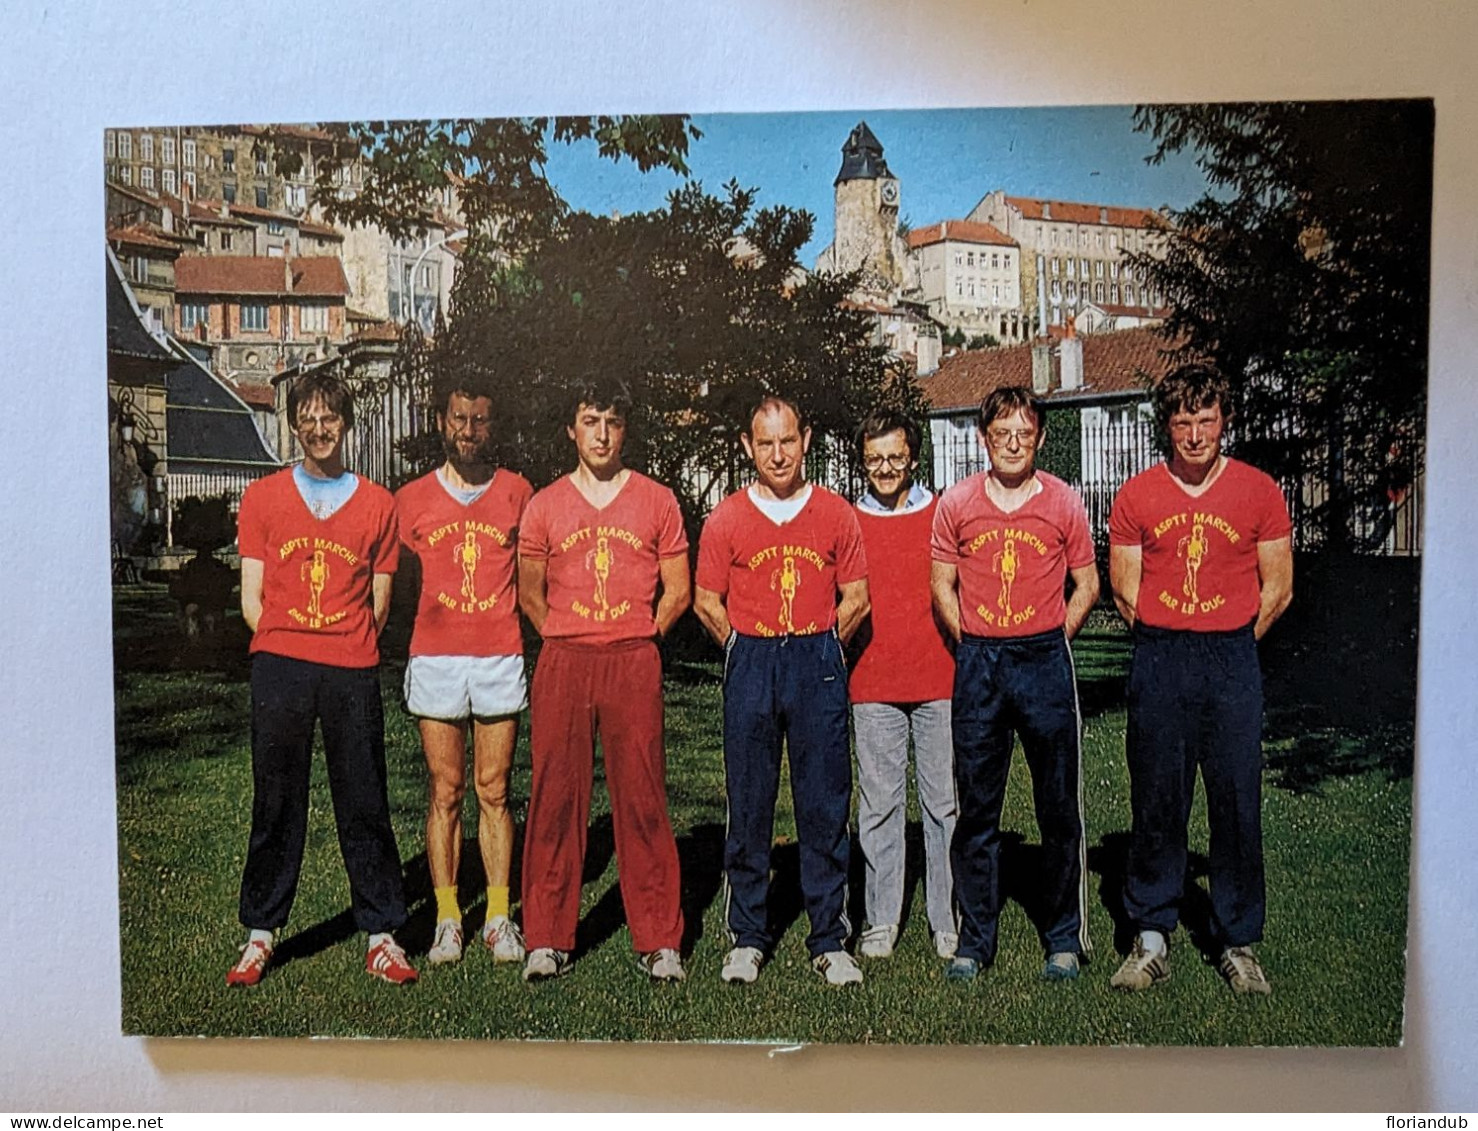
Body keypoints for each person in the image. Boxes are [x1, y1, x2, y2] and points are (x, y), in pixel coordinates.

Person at [1107, 363, 1293, 996]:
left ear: (1225, 421)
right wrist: (1172, 633)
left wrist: (1232, 638)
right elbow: (1126, 592)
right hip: (1161, 658)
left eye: (1205, 420)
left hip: (1230, 661)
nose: (1193, 434)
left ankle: (1237, 939)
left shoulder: (1259, 491)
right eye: (1182, 421)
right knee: (1158, 800)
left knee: (1237, 799)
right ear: (1168, 425)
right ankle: (1151, 936)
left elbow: (1278, 587)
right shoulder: (1136, 496)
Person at [226, 371, 415, 987]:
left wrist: (341, 643)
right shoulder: (262, 498)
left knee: (363, 800)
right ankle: (260, 933)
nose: (318, 427)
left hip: (351, 668)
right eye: (306, 417)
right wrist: (285, 645)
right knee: (276, 800)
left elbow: (380, 605)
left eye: (329, 416)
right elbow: (252, 598)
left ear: (346, 422)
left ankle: (383, 933)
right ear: (293, 425)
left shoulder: (379, 506)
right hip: (281, 665)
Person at [517, 382, 691, 982]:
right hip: (565, 660)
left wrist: (644, 635)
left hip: (632, 658)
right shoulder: (543, 505)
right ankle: (546, 935)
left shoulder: (657, 501)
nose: (601, 433)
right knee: (556, 796)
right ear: (572, 428)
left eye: (612, 422)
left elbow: (679, 590)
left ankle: (659, 937)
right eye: (590, 420)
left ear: (625, 430)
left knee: (641, 795)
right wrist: (567, 634)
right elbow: (530, 593)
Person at [694, 395, 870, 986]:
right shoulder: (726, 518)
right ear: (748, 446)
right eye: (765, 442)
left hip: (815, 656)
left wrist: (827, 649)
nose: (777, 454)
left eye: (787, 440)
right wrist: (738, 647)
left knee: (823, 802)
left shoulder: (835, 513)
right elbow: (705, 599)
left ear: (807, 439)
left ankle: (829, 935)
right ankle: (747, 934)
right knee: (749, 803)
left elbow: (858, 595)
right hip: (754, 658)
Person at [930, 386, 1098, 983]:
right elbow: (942, 585)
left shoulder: (1063, 503)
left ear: (1040, 439)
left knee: (1058, 807)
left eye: (1024, 433)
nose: (1012, 444)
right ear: (983, 439)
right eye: (1001, 434)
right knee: (976, 811)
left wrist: (1056, 635)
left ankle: (1062, 937)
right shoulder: (957, 504)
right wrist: (970, 638)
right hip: (981, 665)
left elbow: (1087, 583)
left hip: (1044, 662)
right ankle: (974, 941)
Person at [394, 378, 534, 967]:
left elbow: (534, 580)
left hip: (499, 654)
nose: (468, 431)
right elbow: (394, 586)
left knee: (494, 790)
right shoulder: (410, 500)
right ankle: (449, 917)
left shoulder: (519, 493)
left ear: (492, 425)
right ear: (440, 422)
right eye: (458, 418)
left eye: (479, 420)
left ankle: (499, 916)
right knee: (446, 791)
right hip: (436, 659)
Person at [847, 408, 959, 962]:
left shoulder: (941, 515)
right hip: (872, 682)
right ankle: (880, 918)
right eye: (874, 459)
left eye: (895, 457)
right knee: (880, 807)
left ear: (912, 457)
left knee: (943, 804)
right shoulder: (850, 521)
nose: (885, 468)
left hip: (939, 676)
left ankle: (946, 918)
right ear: (862, 461)